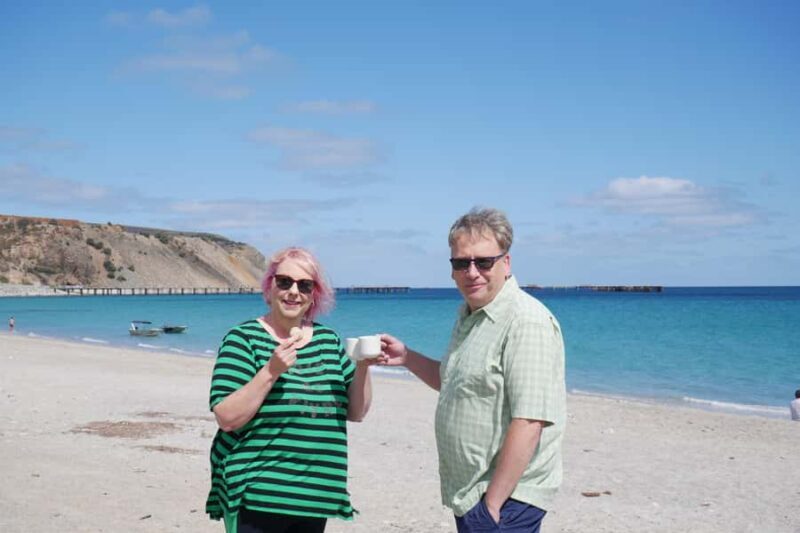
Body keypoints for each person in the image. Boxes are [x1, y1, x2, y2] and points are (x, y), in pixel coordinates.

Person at [379, 207, 566, 533]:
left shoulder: (526, 321)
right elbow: (455, 382)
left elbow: (530, 421)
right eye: (461, 262)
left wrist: (492, 505)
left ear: (505, 263)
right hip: (474, 493)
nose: (472, 272)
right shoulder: (471, 315)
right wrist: (407, 357)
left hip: (507, 501)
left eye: (484, 262)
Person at [205, 247, 373, 533]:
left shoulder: (327, 340)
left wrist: (363, 366)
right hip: (258, 496)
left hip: (314, 497)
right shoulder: (243, 339)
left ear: (313, 294)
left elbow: (356, 412)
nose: (294, 292)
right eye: (284, 282)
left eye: (304, 285)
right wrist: (271, 371)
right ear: (269, 287)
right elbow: (227, 417)